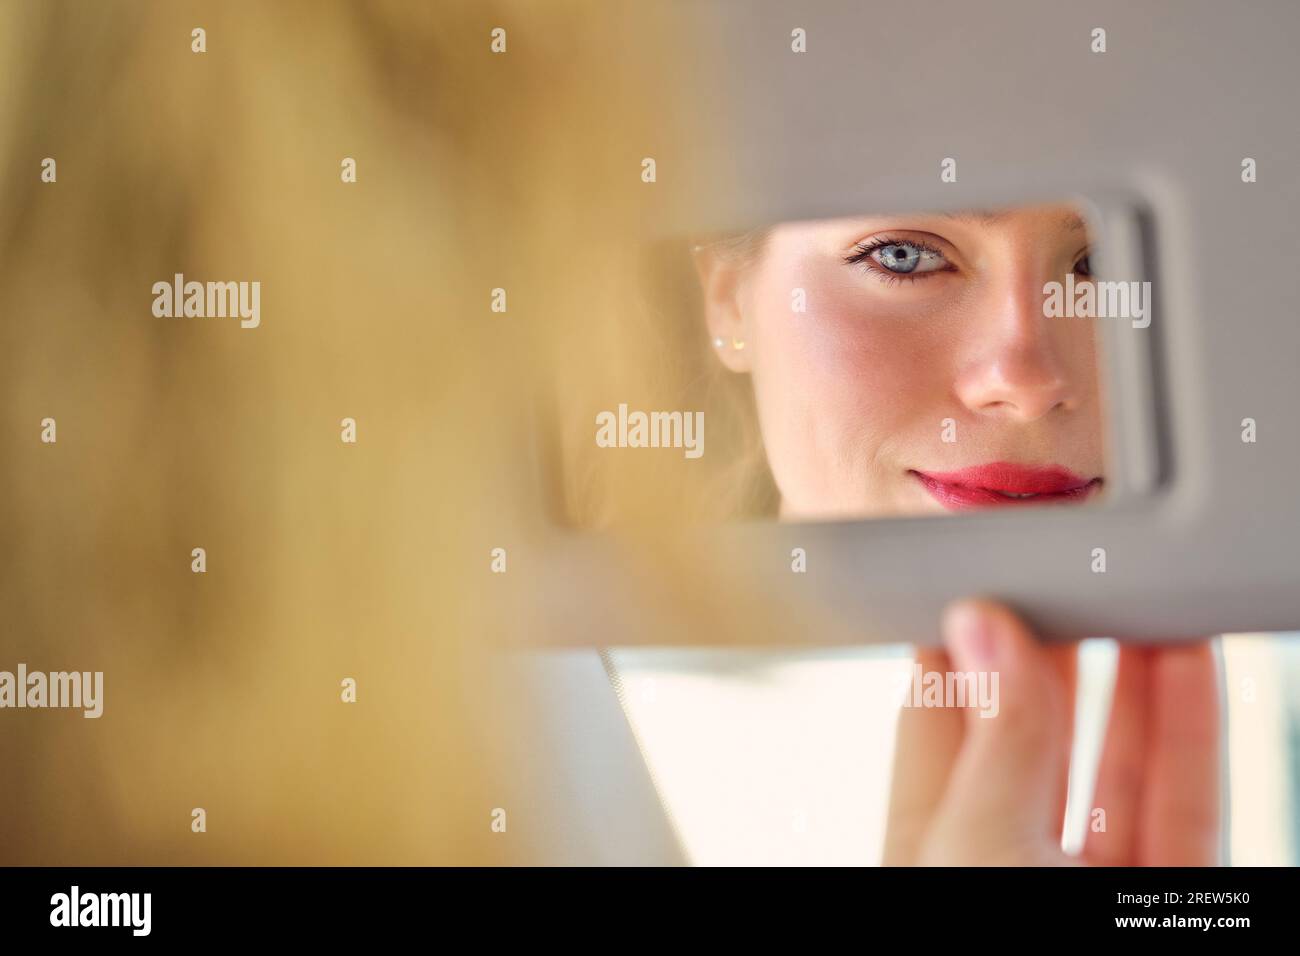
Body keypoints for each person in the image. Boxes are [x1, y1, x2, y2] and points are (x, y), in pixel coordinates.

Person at [606, 202, 1220, 864]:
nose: (1024, 382)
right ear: (729, 302)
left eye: (1104, 264)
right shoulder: (564, 721)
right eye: (904, 255)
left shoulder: (1246, 669)